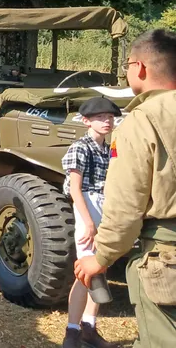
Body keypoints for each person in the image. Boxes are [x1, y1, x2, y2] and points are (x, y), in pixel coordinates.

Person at [75, 29, 176, 347]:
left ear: (140, 68)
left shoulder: (141, 121)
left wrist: (101, 257)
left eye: (128, 65)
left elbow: (126, 205)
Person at [60, 96, 122, 348]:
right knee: (85, 271)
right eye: (100, 117)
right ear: (86, 121)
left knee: (100, 267)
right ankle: (72, 331)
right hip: (87, 205)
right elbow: (75, 189)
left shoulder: (110, 149)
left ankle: (89, 326)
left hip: (105, 205)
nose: (106, 121)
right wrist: (89, 223)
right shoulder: (80, 147)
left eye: (109, 117)